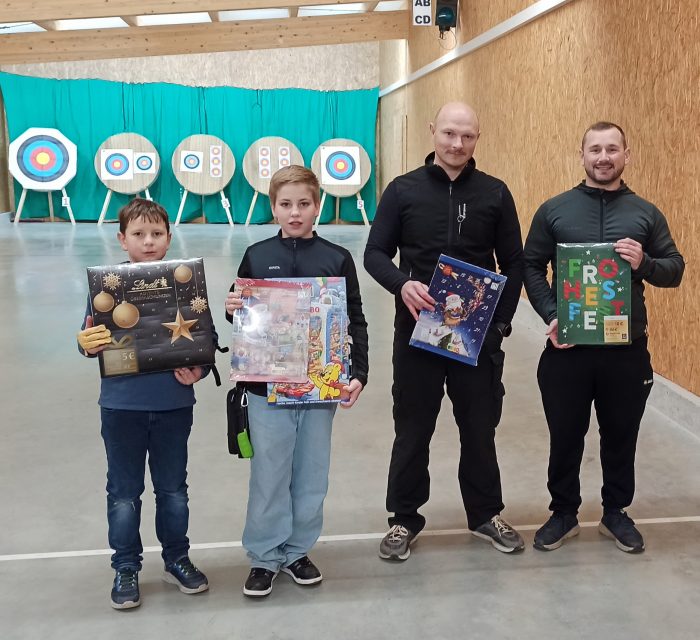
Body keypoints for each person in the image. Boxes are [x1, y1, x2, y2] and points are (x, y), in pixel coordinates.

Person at [364, 102, 525, 560]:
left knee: (479, 428)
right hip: (417, 333)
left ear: (477, 138)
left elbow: (514, 262)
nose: (457, 144)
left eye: (467, 136)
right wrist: (402, 284)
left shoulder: (495, 193)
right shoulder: (402, 190)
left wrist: (499, 325)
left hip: (476, 337)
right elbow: (375, 253)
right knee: (412, 429)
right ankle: (404, 518)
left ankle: (485, 513)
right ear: (433, 130)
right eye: (450, 133)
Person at [523, 121, 685, 553]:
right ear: (582, 155)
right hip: (567, 349)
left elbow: (675, 269)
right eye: (595, 149)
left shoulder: (646, 213)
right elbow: (531, 266)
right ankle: (563, 513)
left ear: (626, 155)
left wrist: (645, 262)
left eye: (612, 149)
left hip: (625, 351)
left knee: (620, 436)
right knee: (565, 435)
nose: (603, 157)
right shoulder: (554, 210)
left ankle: (616, 512)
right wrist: (553, 315)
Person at [225, 165, 368, 597]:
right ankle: (264, 556)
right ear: (273, 207)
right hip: (265, 388)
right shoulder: (256, 254)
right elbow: (242, 318)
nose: (295, 213)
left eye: (304, 204)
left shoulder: (336, 258)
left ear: (317, 206)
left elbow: (355, 318)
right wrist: (234, 308)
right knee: (269, 472)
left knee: (312, 474)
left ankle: (297, 552)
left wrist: (358, 373)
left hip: (320, 387)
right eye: (285, 204)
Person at [77, 199, 210, 609]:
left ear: (169, 238)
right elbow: (90, 338)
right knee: (124, 493)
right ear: (123, 239)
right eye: (138, 234)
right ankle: (125, 566)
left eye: (156, 234)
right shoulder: (107, 289)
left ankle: (176, 559)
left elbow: (204, 341)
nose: (148, 241)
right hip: (121, 407)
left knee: (173, 490)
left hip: (173, 405)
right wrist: (85, 345)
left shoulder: (186, 286)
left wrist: (200, 371)